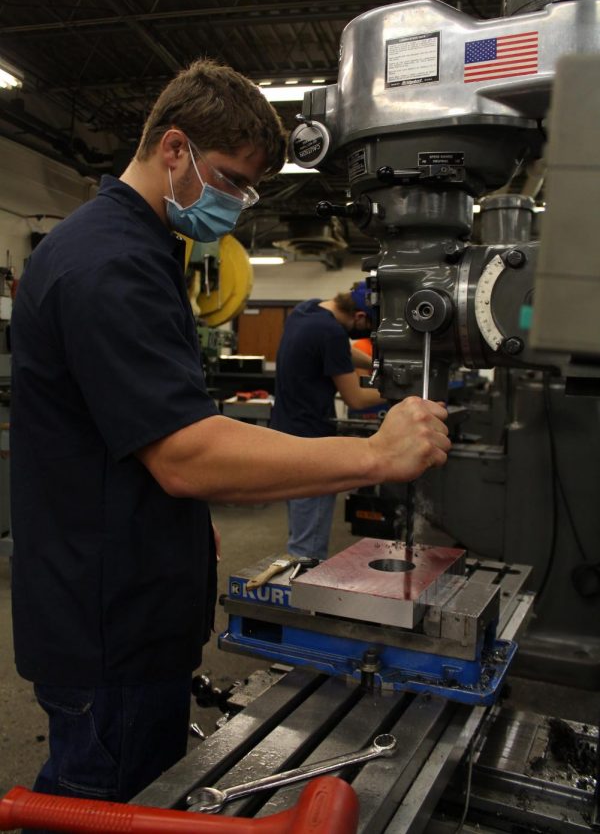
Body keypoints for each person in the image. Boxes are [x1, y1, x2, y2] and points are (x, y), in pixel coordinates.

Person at [10, 57, 450, 807]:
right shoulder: (107, 262)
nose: (238, 203)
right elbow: (187, 455)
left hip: (127, 601)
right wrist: (375, 453)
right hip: (109, 629)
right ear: (173, 149)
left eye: (249, 189)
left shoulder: (138, 248)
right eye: (229, 179)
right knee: (104, 808)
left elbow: (148, 447)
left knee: (130, 793)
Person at [269, 282, 389, 560]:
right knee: (308, 543)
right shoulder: (332, 332)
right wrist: (398, 392)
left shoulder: (305, 310)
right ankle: (303, 593)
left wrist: (375, 365)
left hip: (287, 432)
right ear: (359, 317)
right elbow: (356, 399)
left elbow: (342, 351)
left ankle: (299, 578)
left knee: (301, 520)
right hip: (313, 442)